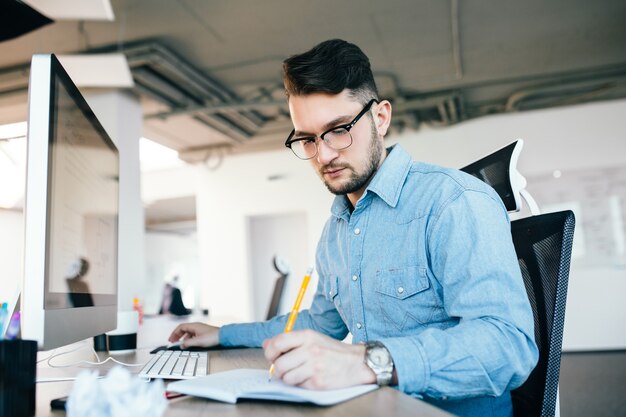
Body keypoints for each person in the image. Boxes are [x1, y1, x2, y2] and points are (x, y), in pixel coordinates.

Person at [169, 39, 538, 417]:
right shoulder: (336, 233)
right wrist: (221, 335)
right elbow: (317, 324)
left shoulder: (453, 202)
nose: (324, 154)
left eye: (339, 129)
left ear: (380, 118)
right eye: (307, 139)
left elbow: (508, 345)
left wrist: (366, 362)